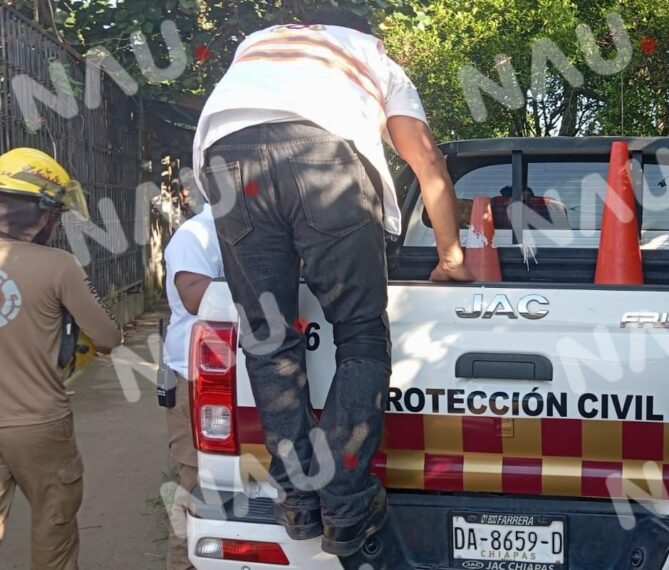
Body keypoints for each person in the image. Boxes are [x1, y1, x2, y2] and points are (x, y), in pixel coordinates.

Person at [191, 7, 474, 557]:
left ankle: (297, 498)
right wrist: (452, 255)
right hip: (324, 162)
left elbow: (264, 135)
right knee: (360, 332)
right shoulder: (372, 56)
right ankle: (344, 501)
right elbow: (427, 162)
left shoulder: (259, 42)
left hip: (228, 160)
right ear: (367, 31)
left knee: (268, 337)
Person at [0, 147, 123, 568]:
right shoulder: (59, 266)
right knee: (53, 531)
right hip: (39, 424)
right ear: (42, 212)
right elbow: (107, 336)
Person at [160, 201, 223, 570]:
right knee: (197, 484)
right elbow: (198, 298)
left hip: (243, 378)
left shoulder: (265, 231)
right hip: (197, 382)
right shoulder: (197, 234)